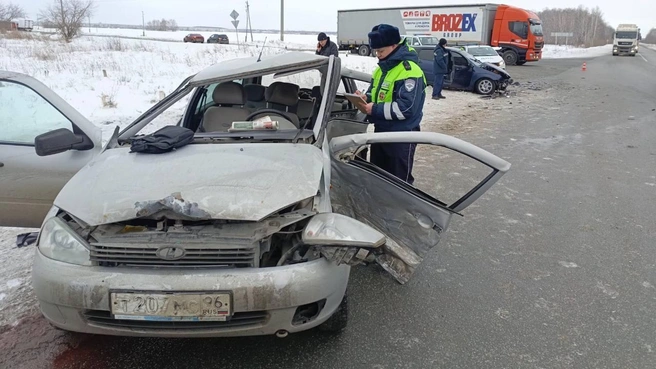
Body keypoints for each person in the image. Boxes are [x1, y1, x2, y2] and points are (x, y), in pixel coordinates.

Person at [355, 24, 426, 185]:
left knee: (399, 183)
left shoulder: (410, 71)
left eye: (381, 51)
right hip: (381, 132)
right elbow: (375, 94)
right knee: (378, 178)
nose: (378, 56)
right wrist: (365, 97)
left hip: (402, 136)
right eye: (376, 52)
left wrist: (374, 109)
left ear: (394, 46)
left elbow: (406, 108)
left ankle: (400, 210)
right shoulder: (381, 70)